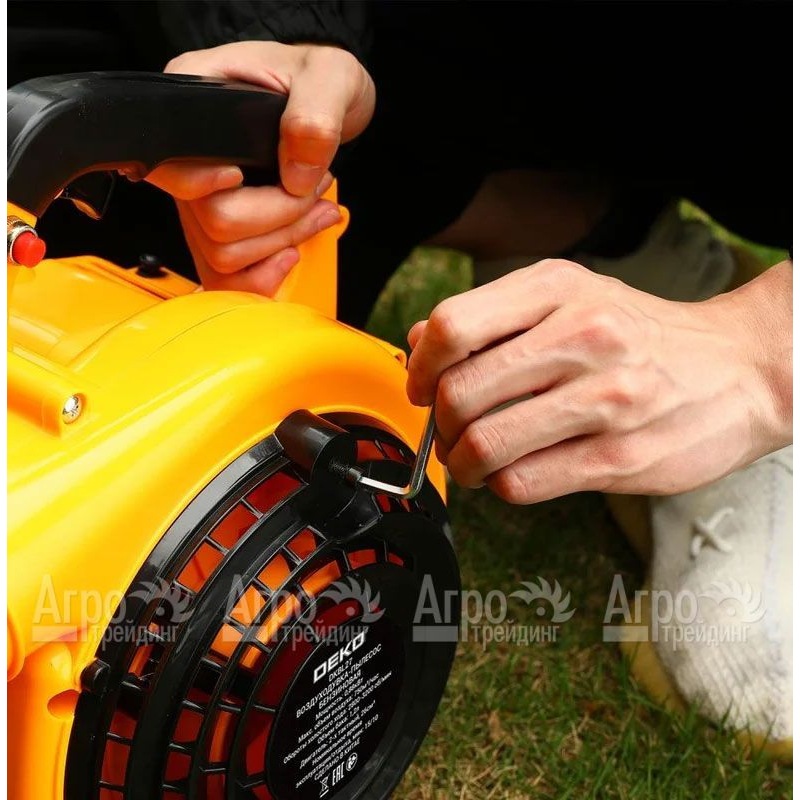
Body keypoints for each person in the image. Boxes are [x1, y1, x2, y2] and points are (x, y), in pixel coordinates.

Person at [10, 0, 792, 760]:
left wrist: (760, 356)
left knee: (763, 678)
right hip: (453, 48)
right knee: (95, 140)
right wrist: (285, 37)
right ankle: (585, 226)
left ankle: (708, 315)